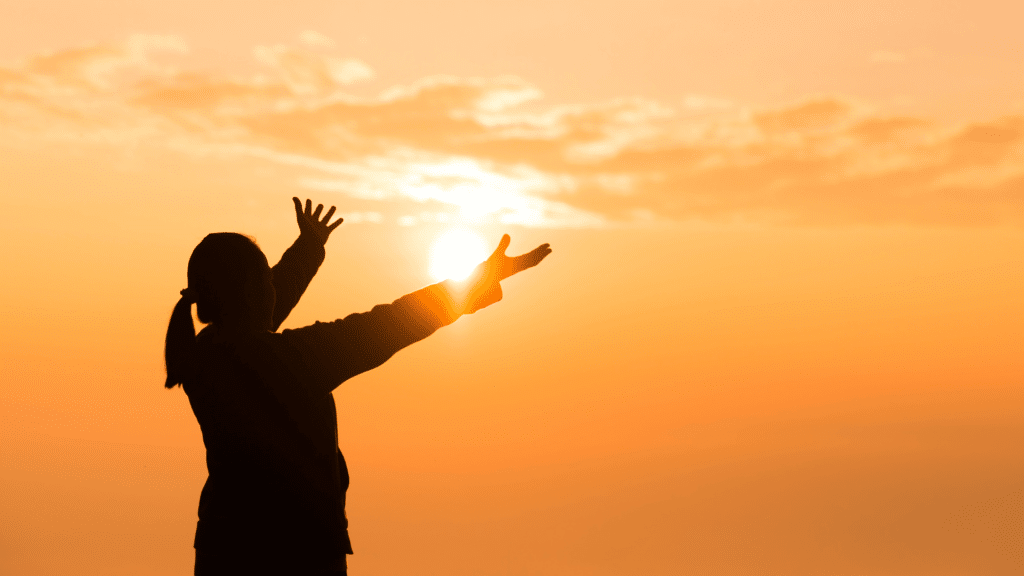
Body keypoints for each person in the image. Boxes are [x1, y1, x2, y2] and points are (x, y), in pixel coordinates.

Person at [164, 197, 552, 575]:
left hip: (225, 548)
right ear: (250, 293)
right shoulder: (284, 361)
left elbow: (262, 305)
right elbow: (389, 324)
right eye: (266, 280)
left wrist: (308, 249)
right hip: (296, 553)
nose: (273, 289)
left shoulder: (209, 354)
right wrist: (484, 278)